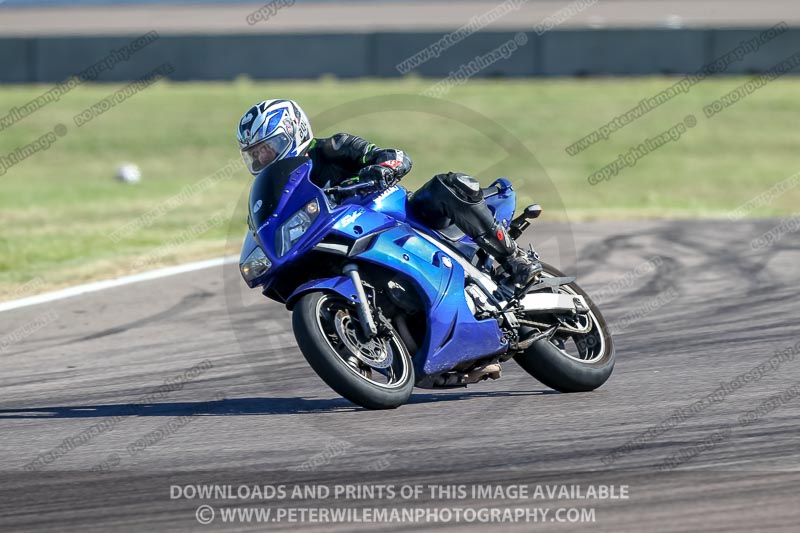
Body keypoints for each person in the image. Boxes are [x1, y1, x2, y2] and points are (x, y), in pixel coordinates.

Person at [237, 99, 540, 286]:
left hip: (394, 215)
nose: (263, 159)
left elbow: (393, 155)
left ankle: (513, 259)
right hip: (341, 237)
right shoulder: (282, 184)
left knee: (446, 184)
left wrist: (381, 168)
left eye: (268, 149)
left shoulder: (333, 148)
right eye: (256, 155)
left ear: (294, 131)